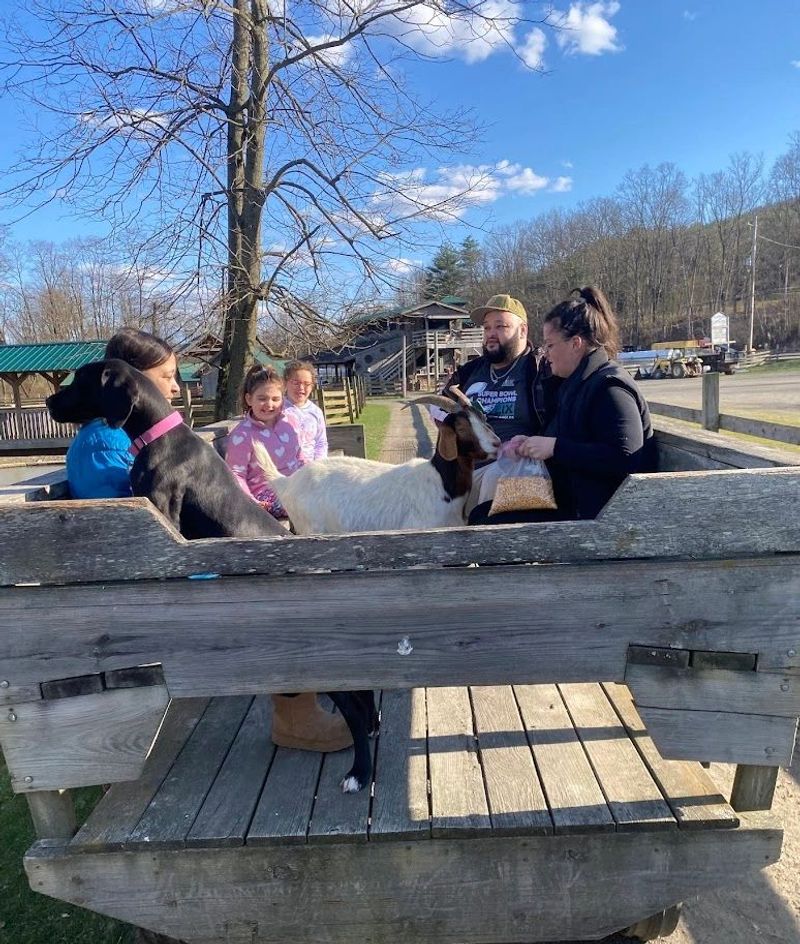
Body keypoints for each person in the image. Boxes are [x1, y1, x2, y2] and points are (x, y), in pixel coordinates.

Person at [492, 286, 656, 523]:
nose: (545, 354)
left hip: (606, 516)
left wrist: (555, 448)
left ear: (575, 343)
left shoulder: (610, 387)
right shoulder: (574, 384)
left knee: (488, 524)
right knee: (486, 513)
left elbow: (625, 456)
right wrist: (529, 443)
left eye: (549, 345)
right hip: (576, 502)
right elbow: (566, 435)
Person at [436, 293, 559, 515]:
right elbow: (443, 410)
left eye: (501, 326)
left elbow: (559, 420)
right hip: (469, 468)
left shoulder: (541, 370)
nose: (491, 335)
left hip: (520, 467)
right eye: (487, 328)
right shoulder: (470, 372)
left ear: (522, 330)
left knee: (493, 486)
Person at [66, 328, 180, 499]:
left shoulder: (127, 435)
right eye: (167, 377)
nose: (176, 388)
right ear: (136, 380)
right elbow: (123, 516)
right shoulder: (108, 443)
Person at [224, 365, 304, 519]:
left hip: (296, 485)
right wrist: (252, 502)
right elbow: (236, 474)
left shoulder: (290, 423)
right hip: (267, 495)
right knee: (308, 505)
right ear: (249, 399)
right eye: (262, 399)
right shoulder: (242, 435)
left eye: (275, 399)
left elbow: (300, 457)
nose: (269, 404)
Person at [282, 360, 328, 463]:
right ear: (285, 383)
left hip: (309, 469)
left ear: (312, 386)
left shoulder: (316, 412)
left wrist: (318, 466)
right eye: (296, 383)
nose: (301, 388)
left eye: (307, 384)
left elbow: (321, 442)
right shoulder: (278, 409)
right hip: (285, 470)